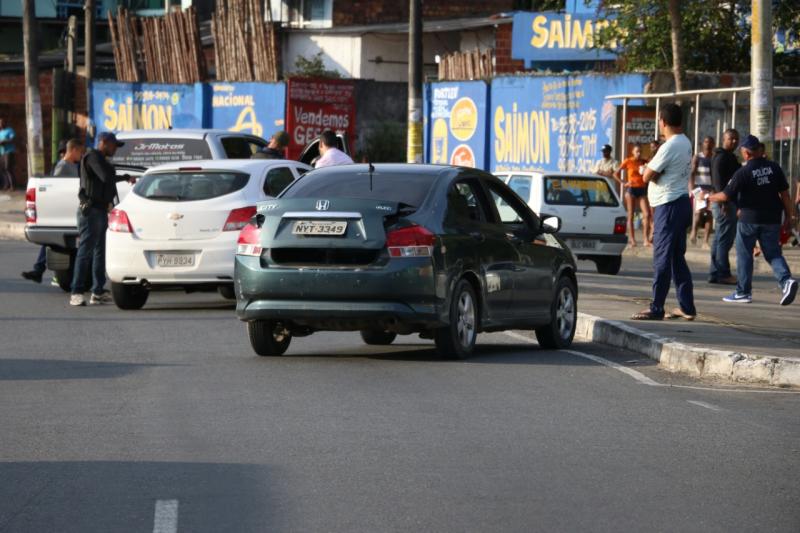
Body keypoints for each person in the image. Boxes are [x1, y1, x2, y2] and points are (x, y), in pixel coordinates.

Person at [705, 134, 797, 306]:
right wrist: (790, 217)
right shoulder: (774, 168)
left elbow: (725, 195)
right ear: (759, 150)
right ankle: (786, 281)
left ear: (747, 153)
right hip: (772, 219)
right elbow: (785, 194)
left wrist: (710, 197)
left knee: (745, 254)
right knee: (773, 253)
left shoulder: (743, 172)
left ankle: (743, 292)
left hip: (749, 219)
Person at [631, 103, 696, 321]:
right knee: (677, 258)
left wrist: (648, 170)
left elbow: (647, 175)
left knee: (662, 258)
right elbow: (661, 172)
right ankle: (686, 306)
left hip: (668, 206)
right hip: (680, 203)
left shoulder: (669, 146)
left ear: (663, 122)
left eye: (659, 120)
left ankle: (656, 307)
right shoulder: (685, 142)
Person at [70, 132, 134, 307]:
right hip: (90, 211)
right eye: (114, 145)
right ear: (104, 143)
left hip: (100, 210)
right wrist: (124, 177)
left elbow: (107, 180)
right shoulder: (93, 157)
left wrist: (125, 177)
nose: (115, 149)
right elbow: (105, 178)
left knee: (100, 252)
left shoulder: (101, 159)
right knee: (85, 253)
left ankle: (97, 292)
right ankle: (76, 291)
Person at [22, 139, 84, 284]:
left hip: (69, 210)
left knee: (53, 241)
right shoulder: (62, 167)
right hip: (64, 210)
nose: (81, 155)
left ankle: (39, 270)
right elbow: (55, 188)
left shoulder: (73, 166)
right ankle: (40, 270)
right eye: (80, 152)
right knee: (53, 240)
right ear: (73, 150)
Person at [708, 128, 740, 285]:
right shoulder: (721, 157)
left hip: (723, 201)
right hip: (723, 202)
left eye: (736, 139)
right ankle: (723, 273)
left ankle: (715, 272)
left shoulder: (729, 157)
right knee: (724, 239)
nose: (734, 141)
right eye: (731, 138)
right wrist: (724, 203)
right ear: (724, 139)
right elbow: (719, 182)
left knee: (720, 237)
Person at [614, 143, 651, 247]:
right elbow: (615, 174)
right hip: (631, 189)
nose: (638, 154)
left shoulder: (644, 162)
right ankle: (632, 239)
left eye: (640, 151)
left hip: (642, 189)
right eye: (636, 151)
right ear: (633, 152)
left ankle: (645, 239)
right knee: (631, 215)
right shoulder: (628, 161)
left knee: (647, 214)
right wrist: (623, 182)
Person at [689, 136, 715, 247]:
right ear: (702, 144)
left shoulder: (714, 158)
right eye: (705, 141)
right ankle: (694, 232)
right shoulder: (697, 157)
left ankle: (705, 241)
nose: (708, 144)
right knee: (698, 214)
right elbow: (692, 173)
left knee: (709, 214)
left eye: (710, 142)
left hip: (711, 189)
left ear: (713, 144)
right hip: (699, 189)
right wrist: (691, 188)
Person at [0, 117, 16, 191]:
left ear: (5, 123)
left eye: (2, 122)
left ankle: (13, 186)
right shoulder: (0, 132)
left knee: (8, 168)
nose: (1, 124)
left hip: (9, 152)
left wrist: (4, 141)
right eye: (0, 123)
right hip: (2, 152)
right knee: (3, 169)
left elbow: (12, 139)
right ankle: (7, 185)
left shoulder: (10, 130)